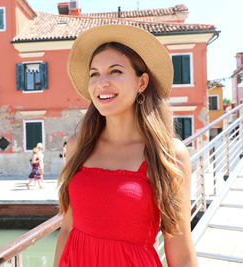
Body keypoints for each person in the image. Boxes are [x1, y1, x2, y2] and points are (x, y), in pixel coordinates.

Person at [53, 25, 197, 267]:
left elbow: (181, 250)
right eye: (94, 74)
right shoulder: (78, 145)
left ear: (142, 82)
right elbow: (68, 226)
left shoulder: (168, 154)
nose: (102, 83)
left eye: (115, 71)